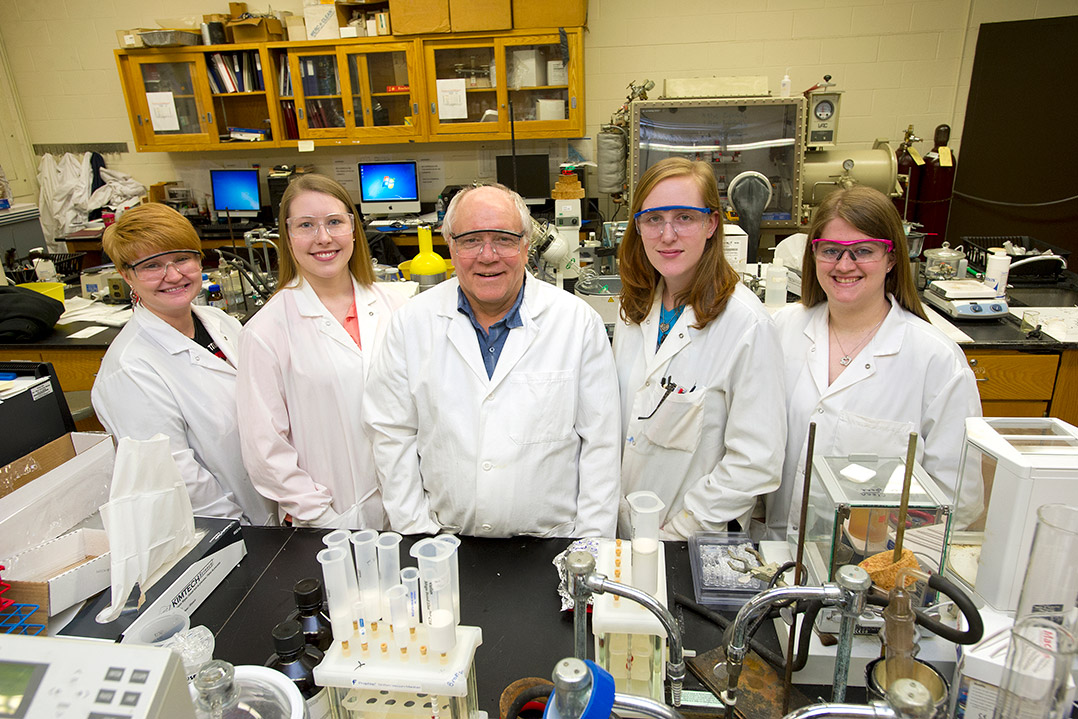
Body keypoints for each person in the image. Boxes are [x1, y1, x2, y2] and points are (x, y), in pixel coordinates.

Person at [362, 184, 621, 538]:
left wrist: (589, 547)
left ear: (527, 245)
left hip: (552, 545)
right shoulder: (411, 324)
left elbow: (601, 446)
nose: (487, 255)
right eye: (470, 240)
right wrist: (419, 534)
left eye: (503, 239)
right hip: (444, 541)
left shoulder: (576, 323)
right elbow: (392, 436)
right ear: (449, 244)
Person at [765, 186, 982, 536]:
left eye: (863, 251)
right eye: (831, 251)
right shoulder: (781, 329)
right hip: (773, 552)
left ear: (892, 258)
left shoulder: (936, 361)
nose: (844, 265)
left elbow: (957, 500)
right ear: (813, 255)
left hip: (873, 567)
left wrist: (882, 561)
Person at [615, 157, 787, 540]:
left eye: (685, 217)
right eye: (653, 218)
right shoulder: (637, 309)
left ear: (711, 223)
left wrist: (682, 529)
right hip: (626, 529)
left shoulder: (746, 325)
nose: (667, 234)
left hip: (693, 542)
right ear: (638, 226)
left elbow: (756, 462)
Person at [236, 174, 404, 529]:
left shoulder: (394, 307)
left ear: (354, 229)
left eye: (334, 222)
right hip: (330, 520)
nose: (323, 238)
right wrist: (320, 516)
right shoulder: (266, 330)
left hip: (406, 508)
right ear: (288, 236)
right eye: (306, 225)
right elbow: (264, 448)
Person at [91, 203, 275, 525]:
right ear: (126, 275)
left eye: (181, 258)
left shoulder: (220, 323)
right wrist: (239, 532)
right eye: (152, 266)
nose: (173, 275)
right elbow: (179, 478)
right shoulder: (130, 369)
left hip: (273, 508)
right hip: (229, 531)